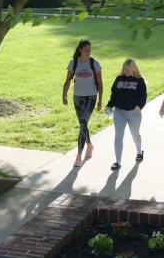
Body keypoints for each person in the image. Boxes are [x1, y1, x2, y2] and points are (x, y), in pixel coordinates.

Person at [62, 39, 103, 167]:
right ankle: (89, 145)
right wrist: (64, 95)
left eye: (90, 51)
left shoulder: (94, 63)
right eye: (86, 50)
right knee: (82, 124)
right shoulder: (73, 63)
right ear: (80, 50)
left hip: (91, 96)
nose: (88, 53)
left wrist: (100, 100)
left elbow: (100, 83)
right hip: (77, 97)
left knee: (83, 123)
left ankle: (79, 156)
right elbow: (68, 80)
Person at [105, 59, 148, 170]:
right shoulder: (119, 79)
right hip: (119, 111)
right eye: (124, 69)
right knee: (118, 135)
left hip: (134, 113)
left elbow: (143, 96)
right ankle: (117, 162)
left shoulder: (140, 81)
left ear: (134, 69)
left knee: (135, 134)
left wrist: (139, 106)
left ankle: (139, 152)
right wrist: (109, 106)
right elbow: (114, 95)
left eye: (128, 69)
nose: (126, 71)